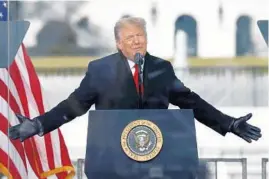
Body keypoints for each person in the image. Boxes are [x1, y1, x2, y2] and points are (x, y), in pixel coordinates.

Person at [9, 16, 261, 144]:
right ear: (118, 43)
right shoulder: (100, 69)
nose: (137, 41)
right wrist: (39, 124)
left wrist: (228, 124)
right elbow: (73, 105)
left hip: (157, 155)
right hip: (112, 156)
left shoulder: (161, 68)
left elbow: (191, 102)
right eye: (130, 38)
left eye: (140, 36)